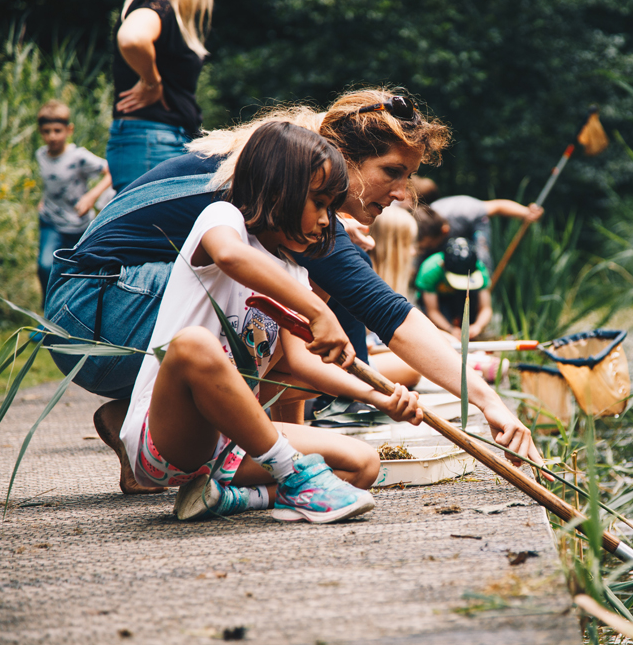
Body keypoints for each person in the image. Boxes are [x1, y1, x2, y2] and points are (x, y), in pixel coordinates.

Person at [44, 89, 542, 494]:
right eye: (391, 172)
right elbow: (393, 315)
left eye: (409, 178)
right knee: (250, 321)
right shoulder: (282, 197)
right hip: (89, 308)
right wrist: (487, 400)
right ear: (342, 159)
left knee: (273, 334)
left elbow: (304, 361)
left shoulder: (292, 188)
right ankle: (225, 449)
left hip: (96, 311)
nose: (401, 195)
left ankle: (141, 427)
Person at [122, 121, 423, 523]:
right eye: (319, 204)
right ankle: (295, 476)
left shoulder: (294, 273)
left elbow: (303, 364)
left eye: (332, 208)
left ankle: (230, 498)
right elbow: (231, 257)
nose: (326, 222)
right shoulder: (221, 220)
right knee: (194, 344)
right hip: (171, 439)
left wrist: (378, 397)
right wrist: (319, 312)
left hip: (235, 443)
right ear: (281, 192)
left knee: (363, 465)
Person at [106, 0, 225, 192]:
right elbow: (132, 38)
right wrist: (152, 82)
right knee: (148, 225)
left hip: (163, 139)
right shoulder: (155, 3)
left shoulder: (169, 11)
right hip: (152, 141)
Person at [34, 100, 112, 301]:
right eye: (46, 131)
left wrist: (91, 196)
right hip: (50, 221)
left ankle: (72, 311)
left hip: (78, 224)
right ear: (40, 132)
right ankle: (47, 314)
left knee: (75, 271)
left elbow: (110, 171)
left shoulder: (79, 157)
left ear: (69, 130)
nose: (52, 136)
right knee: (45, 266)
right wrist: (44, 199)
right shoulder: (41, 155)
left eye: (57, 130)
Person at [411, 176, 544, 270]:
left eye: (428, 245)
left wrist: (526, 212)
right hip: (443, 237)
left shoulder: (465, 210)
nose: (425, 249)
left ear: (444, 230)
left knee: (480, 261)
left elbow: (497, 206)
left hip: (474, 226)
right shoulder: (422, 220)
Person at [366, 206, 420, 389]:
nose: (413, 252)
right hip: (341, 369)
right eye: (409, 243)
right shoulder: (364, 287)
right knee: (412, 367)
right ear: (391, 246)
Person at [416, 237, 492, 341]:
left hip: (465, 297)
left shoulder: (479, 269)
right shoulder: (430, 270)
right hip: (440, 300)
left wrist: (477, 326)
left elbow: (485, 308)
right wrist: (450, 329)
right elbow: (432, 310)